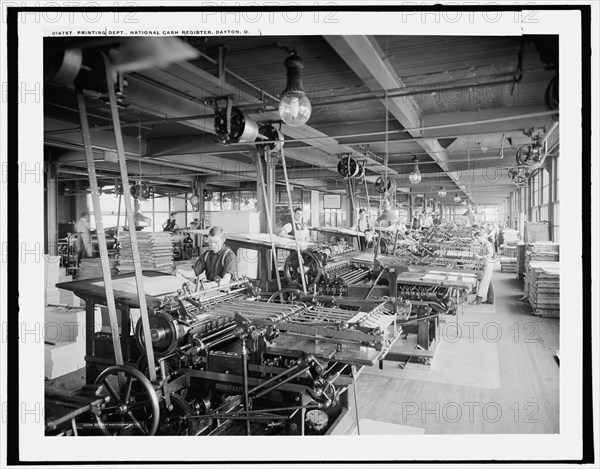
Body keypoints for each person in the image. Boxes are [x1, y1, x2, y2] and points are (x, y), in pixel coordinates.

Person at [470, 230, 495, 305]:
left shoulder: (488, 244)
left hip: (488, 264)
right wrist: (477, 254)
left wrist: (481, 256)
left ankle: (478, 300)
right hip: (485, 263)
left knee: (483, 282)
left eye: (478, 238)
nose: (477, 240)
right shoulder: (483, 243)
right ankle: (490, 300)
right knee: (488, 282)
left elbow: (491, 254)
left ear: (481, 237)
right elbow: (482, 252)